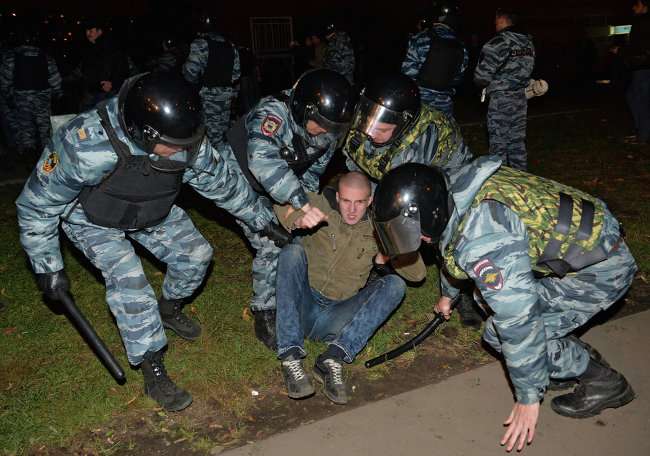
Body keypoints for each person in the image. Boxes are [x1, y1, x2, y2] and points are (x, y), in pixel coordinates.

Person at [15, 73, 288, 412]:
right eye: (173, 146)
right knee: (131, 282)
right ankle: (152, 366)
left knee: (197, 255)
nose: (182, 152)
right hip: (93, 219)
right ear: (143, 133)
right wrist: (48, 267)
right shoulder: (84, 144)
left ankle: (169, 309)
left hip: (150, 208)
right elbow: (37, 205)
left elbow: (223, 183)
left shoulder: (183, 139)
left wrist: (261, 221)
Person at [371, 157, 637, 452]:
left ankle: (604, 383)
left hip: (601, 270)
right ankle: (564, 357)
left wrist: (527, 397)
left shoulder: (485, 239)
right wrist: (449, 292)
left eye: (412, 231)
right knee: (485, 298)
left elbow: (519, 320)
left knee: (502, 334)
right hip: (591, 249)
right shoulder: (458, 188)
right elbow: (452, 245)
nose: (416, 239)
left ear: (430, 213)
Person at [223, 68, 355, 350]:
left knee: (298, 234)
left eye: (332, 127)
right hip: (239, 179)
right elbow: (261, 161)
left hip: (280, 183)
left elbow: (310, 173)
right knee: (271, 240)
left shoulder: (327, 130)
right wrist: (300, 202)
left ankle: (298, 292)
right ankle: (265, 311)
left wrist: (301, 207)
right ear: (303, 108)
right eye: (320, 124)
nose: (325, 132)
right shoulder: (272, 113)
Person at [342, 73, 482, 328]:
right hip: (394, 175)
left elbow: (406, 194)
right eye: (368, 124)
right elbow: (357, 161)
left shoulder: (423, 138)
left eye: (381, 130)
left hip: (443, 186)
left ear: (403, 123)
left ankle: (463, 296)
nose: (370, 133)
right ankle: (375, 269)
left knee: (445, 237)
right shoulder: (370, 121)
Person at [274, 171, 425, 404]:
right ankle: (290, 355)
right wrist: (296, 218)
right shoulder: (320, 204)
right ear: (338, 198)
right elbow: (279, 201)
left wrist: (394, 252)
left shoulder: (379, 227)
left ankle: (333, 357)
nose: (352, 210)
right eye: (346, 201)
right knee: (292, 253)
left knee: (395, 284)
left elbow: (417, 275)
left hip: (338, 315)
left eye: (359, 202)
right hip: (303, 303)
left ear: (370, 201)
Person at [474, 9, 534, 170]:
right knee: (517, 143)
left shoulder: (498, 42)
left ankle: (501, 184)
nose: (494, 23)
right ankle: (522, 181)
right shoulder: (527, 42)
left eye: (495, 20)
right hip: (521, 98)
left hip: (501, 100)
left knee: (498, 145)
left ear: (501, 19)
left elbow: (481, 77)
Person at [0, 24, 62, 164]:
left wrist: (8, 95)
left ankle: (29, 161)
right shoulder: (45, 56)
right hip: (42, 97)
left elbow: (5, 79)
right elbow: (55, 78)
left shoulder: (12, 56)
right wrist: (58, 93)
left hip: (21, 98)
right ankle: (49, 161)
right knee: (45, 129)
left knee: (26, 130)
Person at [401, 1, 468, 118]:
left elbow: (407, 74)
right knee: (442, 135)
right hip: (444, 106)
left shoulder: (420, 39)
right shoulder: (461, 47)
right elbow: (458, 78)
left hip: (420, 104)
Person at [183, 14, 240, 148]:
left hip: (208, 98)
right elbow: (236, 74)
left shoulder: (200, 44)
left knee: (208, 138)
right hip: (226, 97)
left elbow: (190, 72)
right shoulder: (230, 45)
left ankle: (214, 165)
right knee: (221, 135)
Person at [76, 18, 130, 111]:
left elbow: (122, 68)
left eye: (91, 30)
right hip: (91, 92)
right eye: (86, 31)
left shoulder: (111, 47)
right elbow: (84, 70)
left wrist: (113, 83)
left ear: (99, 32)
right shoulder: (88, 49)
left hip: (106, 94)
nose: (88, 33)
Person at [624, 0, 650, 145]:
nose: (633, 7)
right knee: (634, 97)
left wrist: (621, 51)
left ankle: (643, 135)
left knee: (640, 99)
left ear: (645, 6)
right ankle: (641, 132)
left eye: (637, 4)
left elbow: (639, 46)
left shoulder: (643, 22)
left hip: (644, 66)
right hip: (642, 66)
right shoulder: (641, 21)